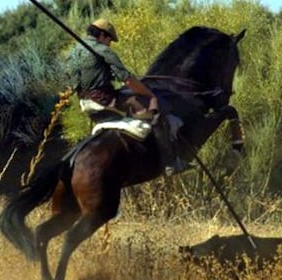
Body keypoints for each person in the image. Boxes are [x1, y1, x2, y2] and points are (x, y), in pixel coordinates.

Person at [66, 18, 192, 175]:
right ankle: (170, 163)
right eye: (110, 40)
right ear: (103, 35)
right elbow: (127, 79)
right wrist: (148, 94)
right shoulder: (102, 50)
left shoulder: (73, 53)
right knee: (156, 108)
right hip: (106, 101)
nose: (109, 44)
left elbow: (73, 83)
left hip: (86, 103)